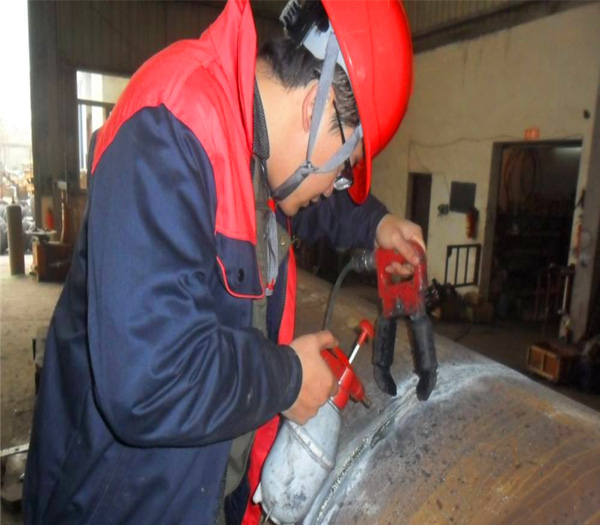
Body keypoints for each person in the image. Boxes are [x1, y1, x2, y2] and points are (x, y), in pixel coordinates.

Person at [23, 0, 423, 524]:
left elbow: (310, 205)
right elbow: (148, 380)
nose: (335, 187)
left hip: (191, 497)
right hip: (113, 505)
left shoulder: (253, 149)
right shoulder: (170, 132)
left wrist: (377, 224)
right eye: (343, 168)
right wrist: (287, 379)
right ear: (315, 109)